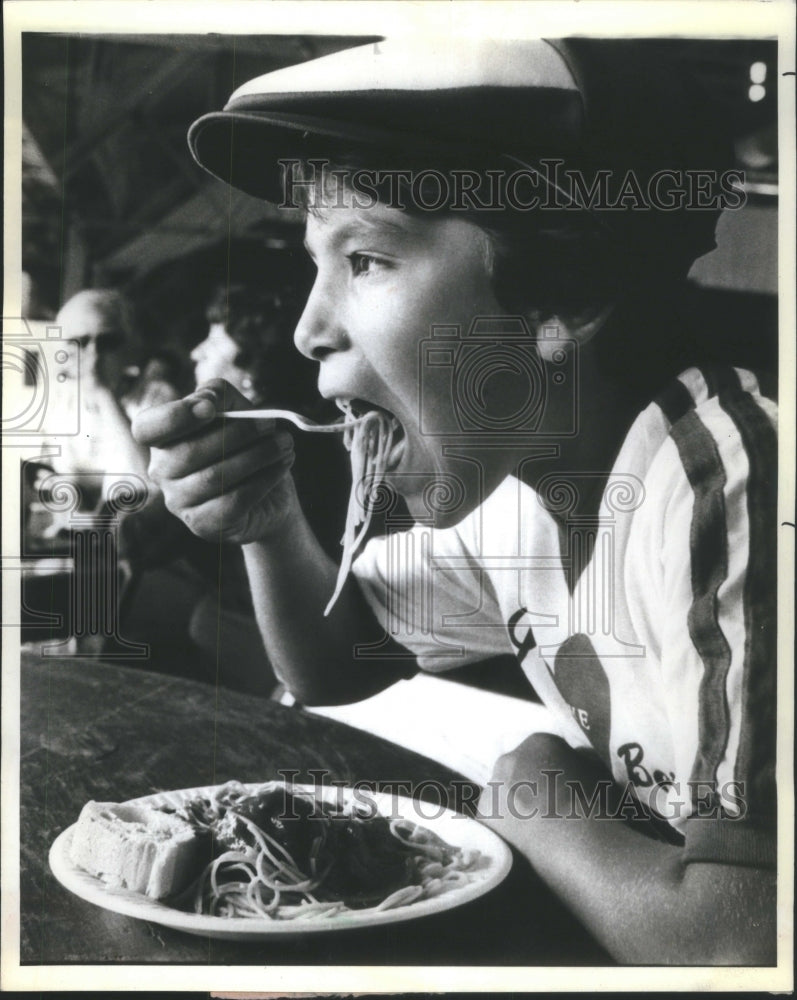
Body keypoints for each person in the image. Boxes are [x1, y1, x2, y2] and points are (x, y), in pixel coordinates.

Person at [132, 38, 777, 963]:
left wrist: (535, 793)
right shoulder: (519, 489)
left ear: (564, 296)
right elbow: (337, 663)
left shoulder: (730, 479)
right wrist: (269, 527)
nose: (311, 330)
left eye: (366, 259)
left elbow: (739, 947)